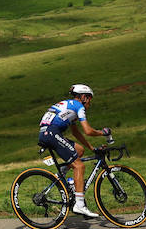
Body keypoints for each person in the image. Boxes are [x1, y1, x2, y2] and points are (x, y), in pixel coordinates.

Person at [37, 83, 110, 218]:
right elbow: (88, 130)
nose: (90, 102)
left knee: (80, 151)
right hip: (51, 133)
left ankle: (62, 177)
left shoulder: (69, 106)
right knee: (80, 166)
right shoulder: (79, 106)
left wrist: (91, 148)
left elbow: (76, 133)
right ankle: (80, 205)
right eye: (89, 98)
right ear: (83, 97)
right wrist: (103, 133)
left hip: (47, 132)